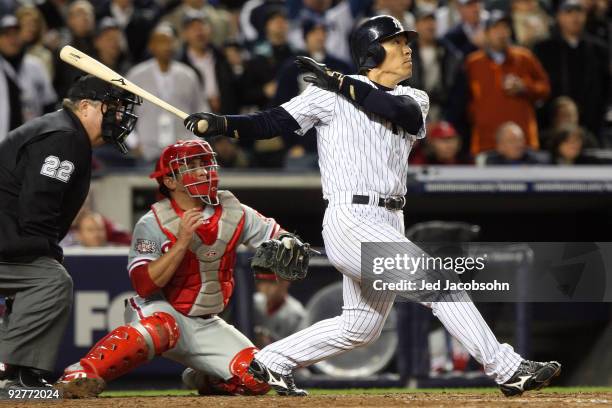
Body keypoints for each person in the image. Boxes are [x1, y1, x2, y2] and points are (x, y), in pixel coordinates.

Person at [183, 15, 561, 397]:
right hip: (351, 218)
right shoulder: (327, 95)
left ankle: (267, 362)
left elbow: (400, 115)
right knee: (439, 283)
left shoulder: (413, 97)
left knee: (360, 327)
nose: (408, 49)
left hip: (389, 219)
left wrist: (341, 81)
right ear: (373, 49)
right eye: (397, 42)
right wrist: (219, 124)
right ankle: (507, 368)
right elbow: (269, 123)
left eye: (406, 42)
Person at [54, 139, 311, 398]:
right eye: (192, 166)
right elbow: (144, 284)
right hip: (160, 308)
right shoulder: (153, 222)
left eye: (206, 164)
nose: (203, 171)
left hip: (206, 321)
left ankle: (204, 375)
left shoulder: (234, 212)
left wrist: (287, 242)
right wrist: (182, 242)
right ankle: (81, 373)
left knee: (257, 379)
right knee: (160, 327)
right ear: (170, 181)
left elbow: (276, 234)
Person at [0, 75, 140, 392]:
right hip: (7, 240)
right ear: (86, 107)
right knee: (50, 279)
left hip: (6, 239)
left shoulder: (62, 130)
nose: (118, 117)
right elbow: (38, 204)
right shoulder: (63, 136)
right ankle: (17, 376)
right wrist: (45, 253)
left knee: (41, 277)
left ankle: (11, 370)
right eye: (112, 108)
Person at [465, 10, 550, 155]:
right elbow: (464, 99)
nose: (501, 33)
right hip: (486, 141)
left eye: (505, 28)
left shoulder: (524, 58)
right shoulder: (473, 62)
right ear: (486, 33)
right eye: (496, 28)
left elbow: (545, 89)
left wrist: (525, 87)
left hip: (523, 142)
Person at [0, 14, 57, 141]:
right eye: (6, 35)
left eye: (16, 34)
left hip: (31, 142)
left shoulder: (35, 65)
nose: (12, 39)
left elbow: (49, 104)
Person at [477, 121, 549, 165]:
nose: (518, 144)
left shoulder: (538, 161)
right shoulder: (488, 163)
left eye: (520, 140)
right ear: (500, 146)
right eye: (512, 141)